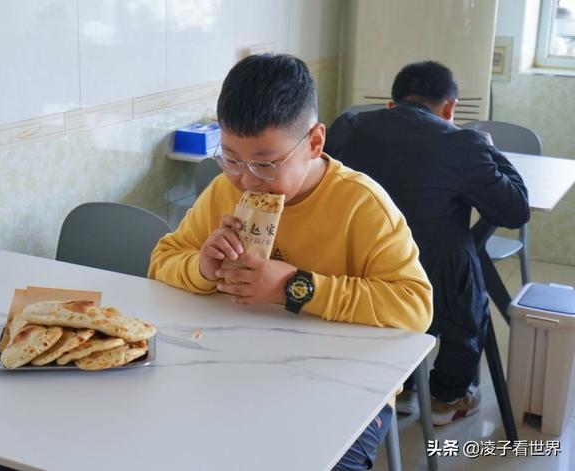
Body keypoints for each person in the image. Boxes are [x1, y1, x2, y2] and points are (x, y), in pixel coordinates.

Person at [149, 54, 433, 470]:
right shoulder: (221, 192)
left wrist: (294, 287)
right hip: (231, 367)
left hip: (344, 386)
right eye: (230, 158)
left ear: (315, 142)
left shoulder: (362, 205)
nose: (246, 180)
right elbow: (162, 260)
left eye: (265, 164)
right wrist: (202, 268)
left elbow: (415, 307)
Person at [325, 60, 530, 426]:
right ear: (450, 108)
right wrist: (490, 149)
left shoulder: (349, 127)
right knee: (462, 264)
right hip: (433, 287)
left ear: (392, 104)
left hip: (353, 279)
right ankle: (447, 397)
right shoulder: (461, 143)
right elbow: (515, 209)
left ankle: (399, 386)